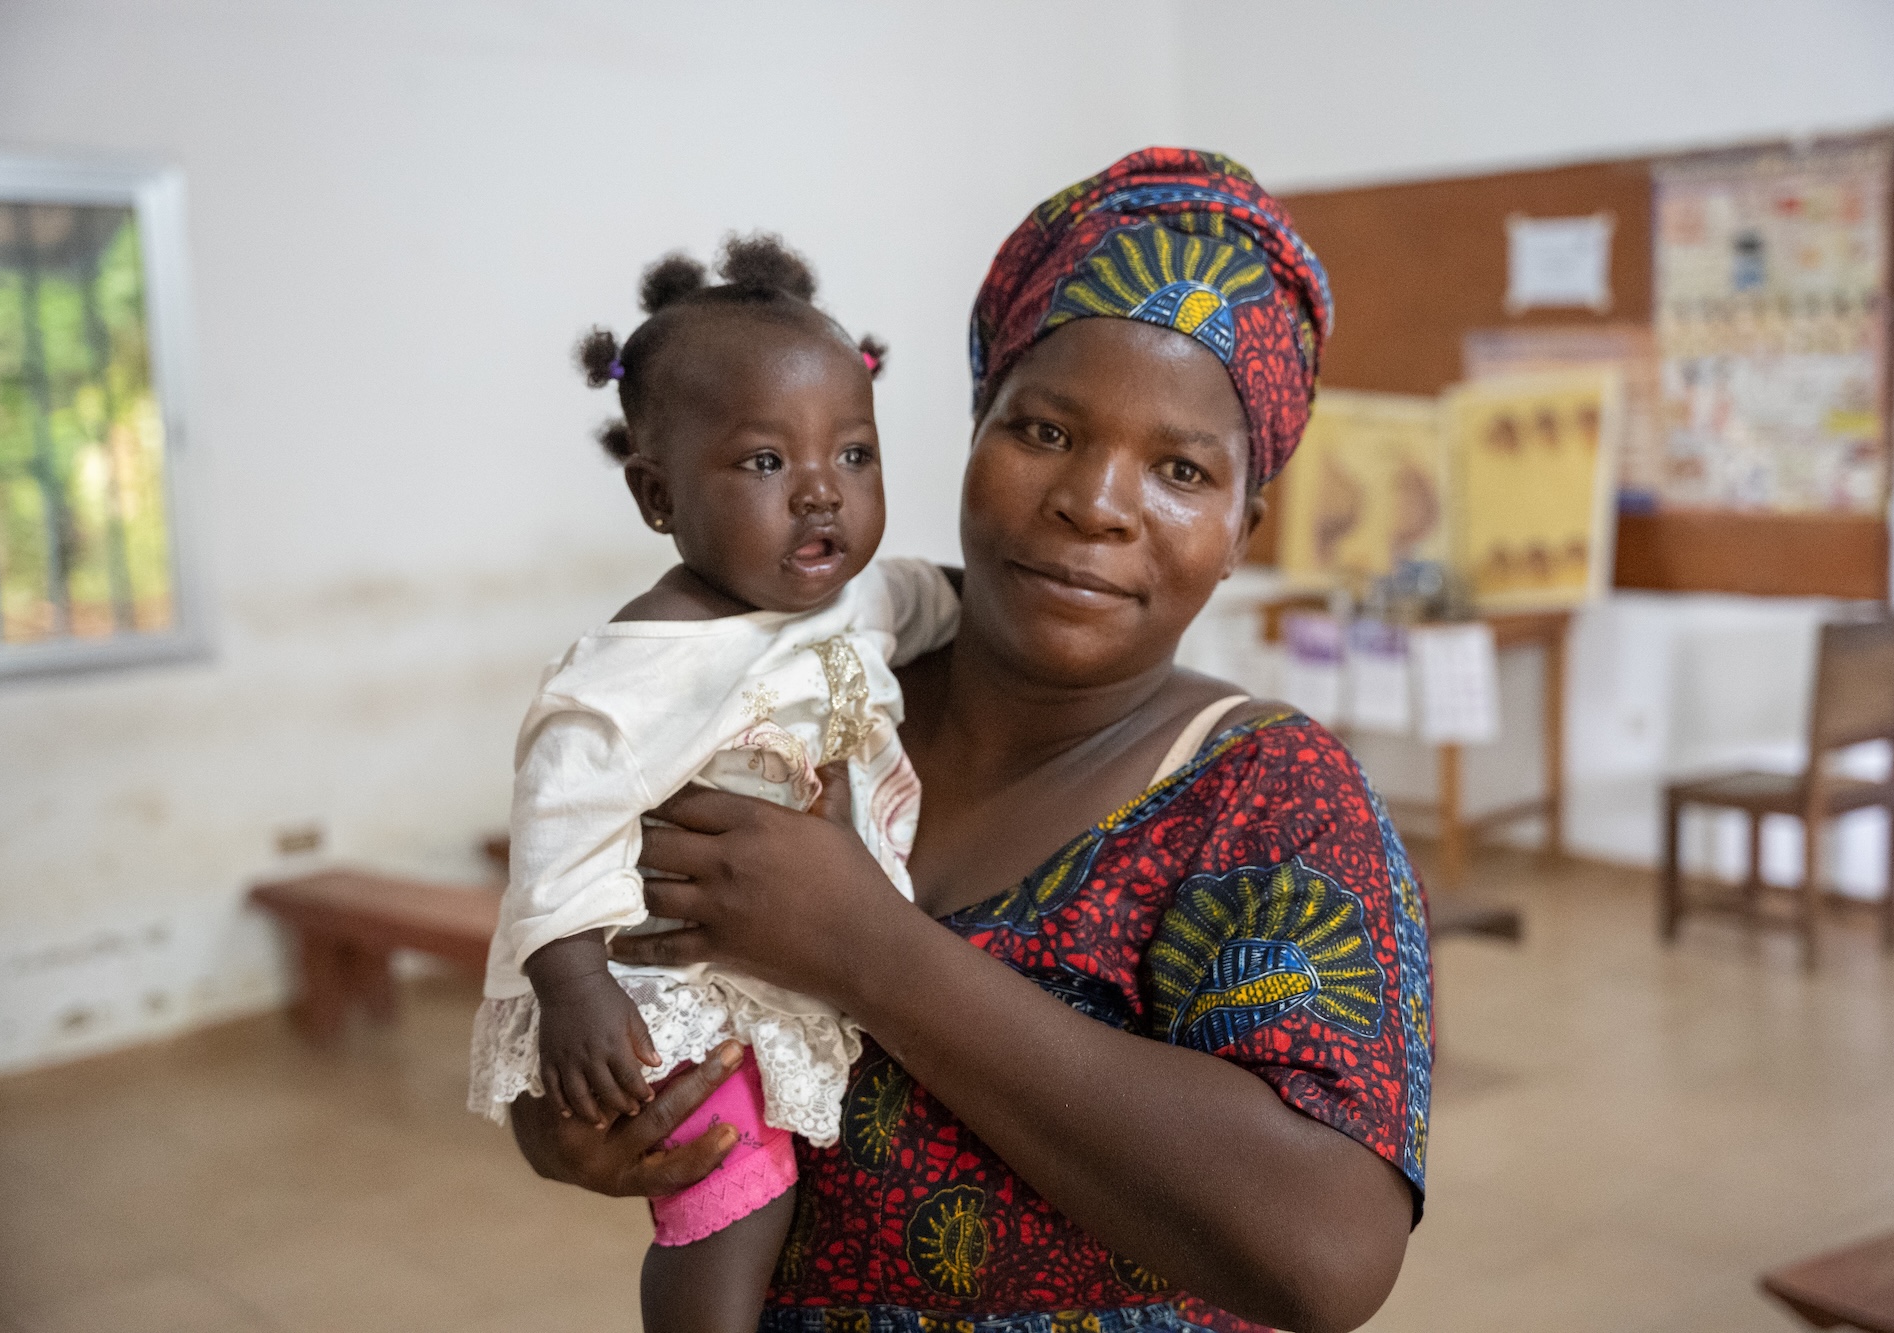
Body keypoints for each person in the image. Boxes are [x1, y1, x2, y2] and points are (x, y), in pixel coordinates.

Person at [510, 148, 1431, 1333]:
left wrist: (871, 953)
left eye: (1180, 468)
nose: (1095, 501)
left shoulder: (1265, 796)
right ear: (973, 429)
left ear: (1241, 525)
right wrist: (582, 1129)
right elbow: (595, 972)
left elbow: (1327, 1253)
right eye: (1043, 431)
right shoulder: (789, 690)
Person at [468, 234, 959, 1333]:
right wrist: (571, 988)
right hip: (683, 983)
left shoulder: (863, 599)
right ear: (657, 494)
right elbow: (559, 824)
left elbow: (957, 606)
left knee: (778, 1191)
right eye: (765, 463)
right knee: (727, 1193)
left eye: (854, 455)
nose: (822, 496)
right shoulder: (635, 665)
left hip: (805, 949)